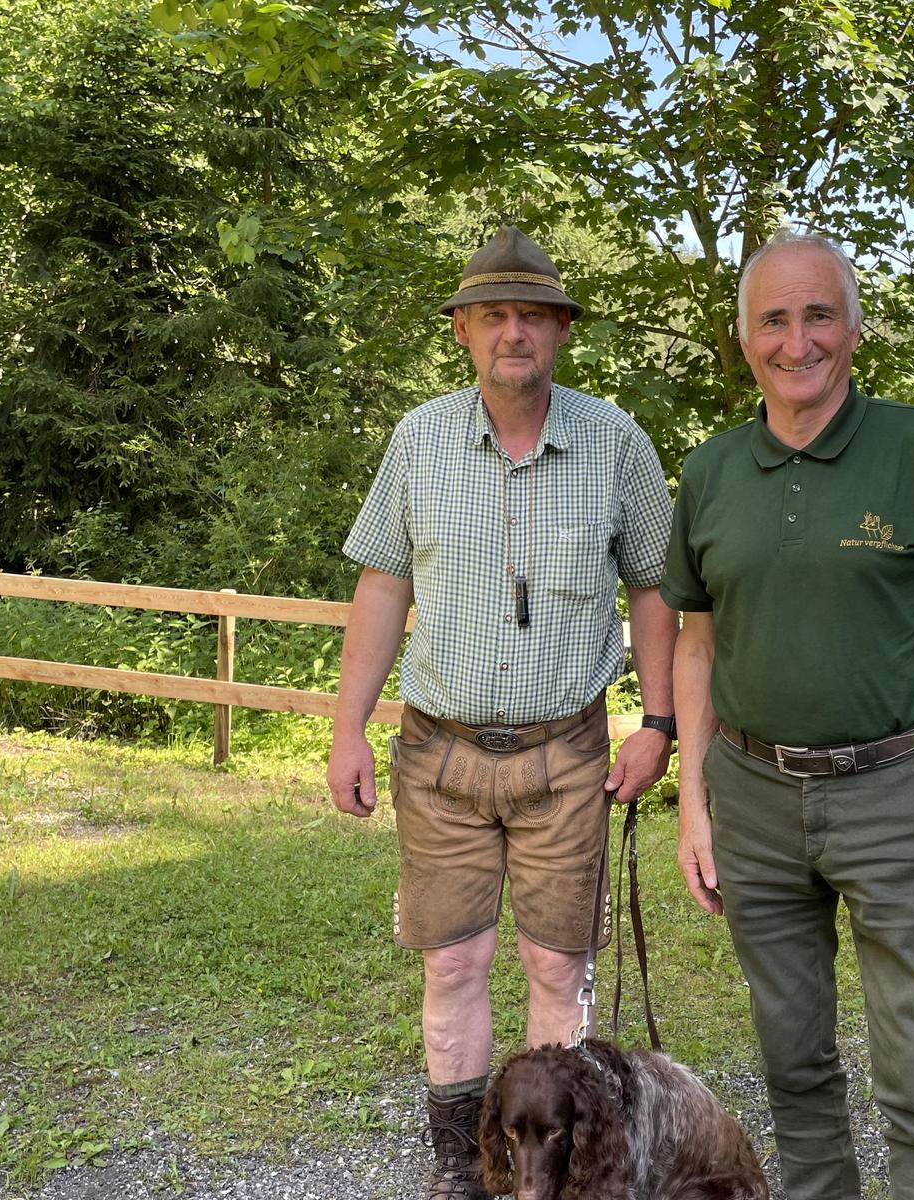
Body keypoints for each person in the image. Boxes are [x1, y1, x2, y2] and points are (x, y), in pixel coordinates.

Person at [662, 230, 914, 1200]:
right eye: (773, 319)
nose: (797, 339)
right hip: (751, 797)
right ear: (745, 341)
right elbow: (694, 643)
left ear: (855, 329)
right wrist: (692, 801)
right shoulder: (709, 475)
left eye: (819, 313)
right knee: (793, 1065)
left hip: (900, 793)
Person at [326, 224, 678, 1200]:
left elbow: (655, 590)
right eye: (492, 315)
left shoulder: (615, 442)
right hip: (438, 755)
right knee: (454, 965)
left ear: (562, 329)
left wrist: (659, 722)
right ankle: (460, 1165)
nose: (511, 332)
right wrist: (348, 726)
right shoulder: (419, 441)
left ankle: (552, 1165)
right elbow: (383, 588)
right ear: (463, 332)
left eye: (531, 314)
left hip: (568, 752)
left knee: (554, 970)